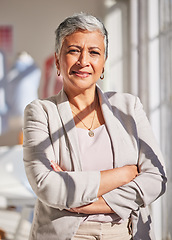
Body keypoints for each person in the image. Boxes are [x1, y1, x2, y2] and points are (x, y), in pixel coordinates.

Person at [23, 13, 167, 240]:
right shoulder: (40, 112)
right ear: (58, 60)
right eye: (73, 50)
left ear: (103, 63)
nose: (83, 61)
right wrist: (124, 174)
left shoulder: (128, 106)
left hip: (125, 233)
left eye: (94, 52)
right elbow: (47, 186)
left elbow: (156, 179)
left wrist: (85, 205)